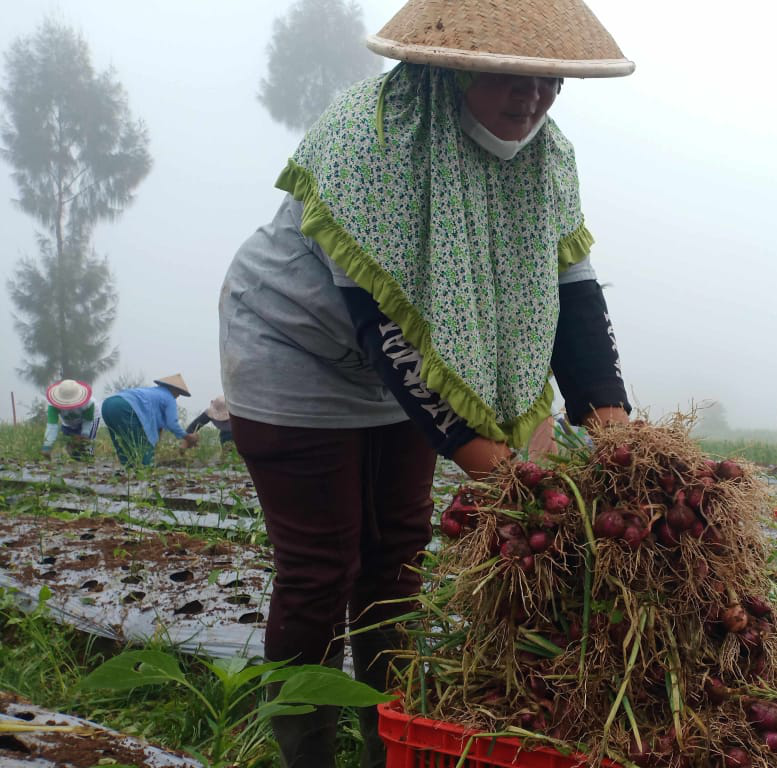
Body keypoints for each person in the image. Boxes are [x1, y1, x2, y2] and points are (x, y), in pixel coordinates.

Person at [218, 0, 634, 763]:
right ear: (447, 66)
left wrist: (615, 429)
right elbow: (383, 326)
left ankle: (392, 745)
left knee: (397, 554)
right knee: (321, 567)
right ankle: (305, 751)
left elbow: (572, 288)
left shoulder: (547, 153)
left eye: (550, 84)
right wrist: (505, 474)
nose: (532, 101)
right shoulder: (371, 138)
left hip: (415, 364)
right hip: (296, 348)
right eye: (511, 79)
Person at [101, 374, 199, 467]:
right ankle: (144, 473)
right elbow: (172, 423)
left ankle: (128, 473)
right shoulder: (169, 398)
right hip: (126, 406)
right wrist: (187, 437)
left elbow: (158, 425)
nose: (177, 396)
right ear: (174, 389)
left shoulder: (151, 393)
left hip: (108, 404)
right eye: (178, 393)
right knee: (144, 446)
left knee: (122, 442)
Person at [40, 379, 99, 460]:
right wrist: (47, 445)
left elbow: (88, 421)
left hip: (90, 419)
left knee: (86, 450)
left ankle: (89, 462)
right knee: (73, 451)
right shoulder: (53, 406)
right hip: (68, 422)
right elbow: (52, 425)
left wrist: (84, 436)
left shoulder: (89, 403)